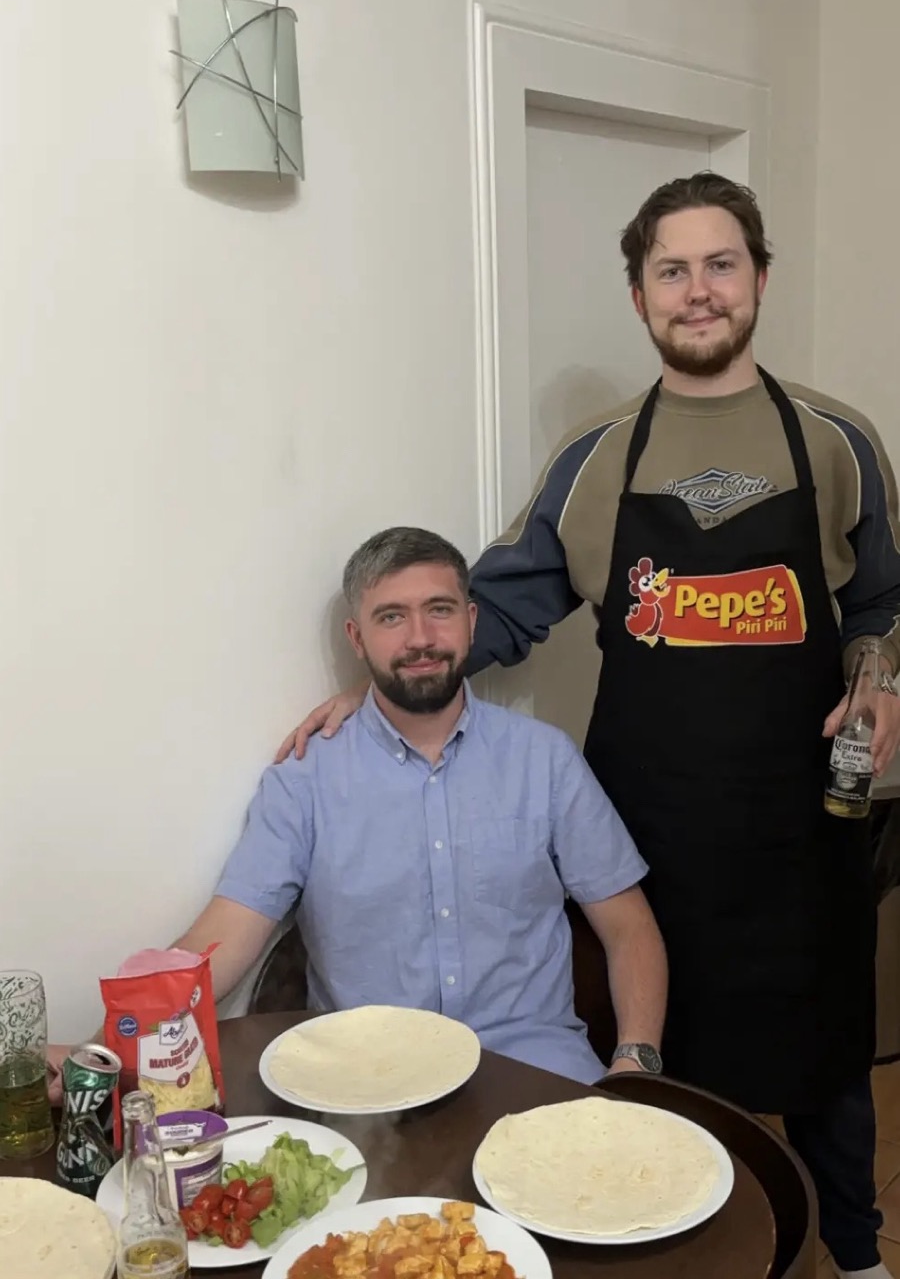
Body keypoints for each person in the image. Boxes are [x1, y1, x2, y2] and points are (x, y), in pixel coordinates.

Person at [280, 174, 900, 1279]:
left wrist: (878, 673)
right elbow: (501, 602)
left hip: (805, 832)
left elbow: (879, 601)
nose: (698, 291)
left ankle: (851, 1254)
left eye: (721, 265)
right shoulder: (596, 456)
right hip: (655, 833)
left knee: (828, 1059)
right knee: (662, 1070)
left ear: (760, 278)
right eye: (673, 270)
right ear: (639, 295)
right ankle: (677, 1247)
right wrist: (386, 679)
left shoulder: (838, 440)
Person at [50, 527, 667, 1094]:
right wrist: (103, 1053)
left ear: (471, 620)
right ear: (357, 637)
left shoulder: (545, 760)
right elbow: (220, 941)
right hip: (368, 1086)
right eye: (391, 617)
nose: (420, 638)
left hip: (536, 1072)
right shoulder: (304, 779)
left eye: (440, 610)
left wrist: (635, 1062)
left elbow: (629, 927)